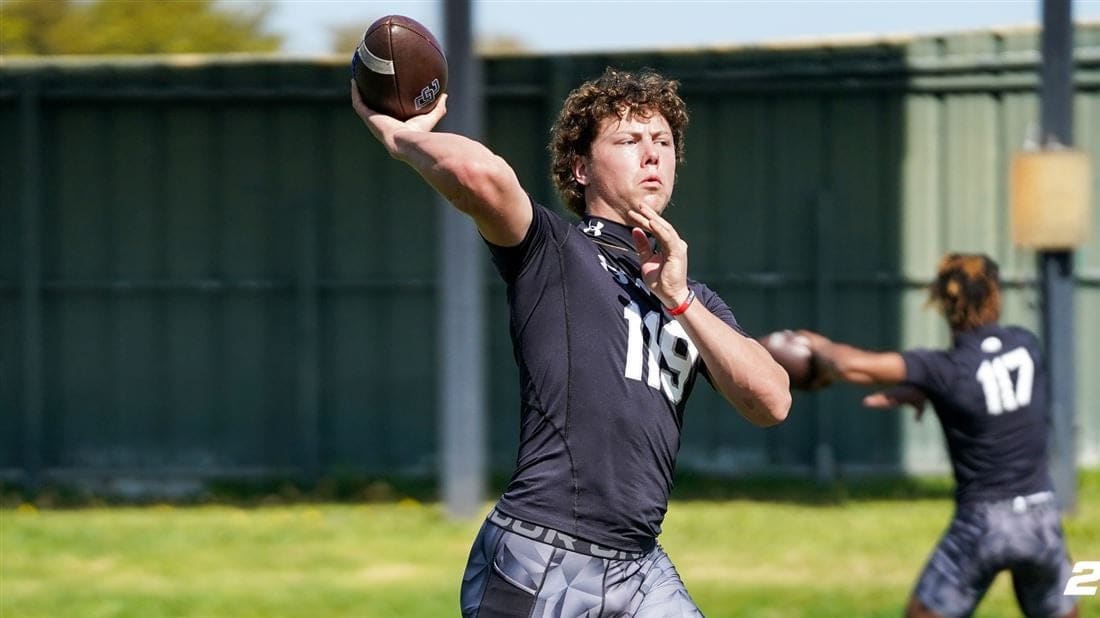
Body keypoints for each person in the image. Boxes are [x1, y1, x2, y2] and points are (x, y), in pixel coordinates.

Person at [352, 67, 791, 616]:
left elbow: (771, 401)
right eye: (628, 141)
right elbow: (478, 174)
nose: (651, 155)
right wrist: (400, 136)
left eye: (662, 142)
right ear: (581, 169)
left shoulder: (690, 296)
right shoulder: (554, 251)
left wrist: (679, 299)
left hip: (639, 566)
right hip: (541, 556)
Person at [799, 253, 1078, 618]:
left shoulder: (942, 369)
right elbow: (989, 388)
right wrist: (929, 391)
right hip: (1042, 514)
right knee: (1070, 600)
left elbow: (851, 365)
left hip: (983, 522)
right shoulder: (1026, 344)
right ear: (995, 296)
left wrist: (816, 345)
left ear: (943, 302)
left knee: (920, 613)